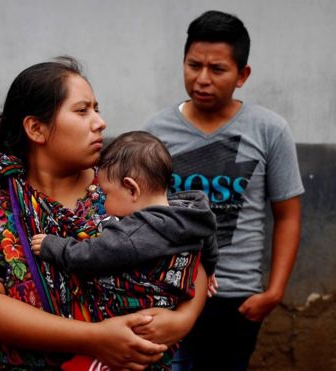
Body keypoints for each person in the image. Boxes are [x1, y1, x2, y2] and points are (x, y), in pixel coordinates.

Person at [0, 56, 210, 370]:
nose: (100, 123)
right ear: (36, 128)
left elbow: (185, 248)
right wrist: (94, 338)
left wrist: (183, 319)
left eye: (96, 109)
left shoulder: (119, 188)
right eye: (82, 110)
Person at [144, 10, 304, 371]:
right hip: (171, 290)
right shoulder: (155, 132)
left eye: (217, 69)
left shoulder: (270, 131)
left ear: (242, 75)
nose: (202, 79)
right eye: (193, 65)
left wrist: (274, 292)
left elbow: (288, 215)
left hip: (237, 298)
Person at [31, 131, 219, 370]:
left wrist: (53, 246)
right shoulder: (192, 213)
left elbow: (91, 256)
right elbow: (209, 241)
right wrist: (211, 269)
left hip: (135, 318)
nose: (105, 201)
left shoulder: (134, 232)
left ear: (132, 189)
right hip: (168, 315)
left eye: (107, 194)